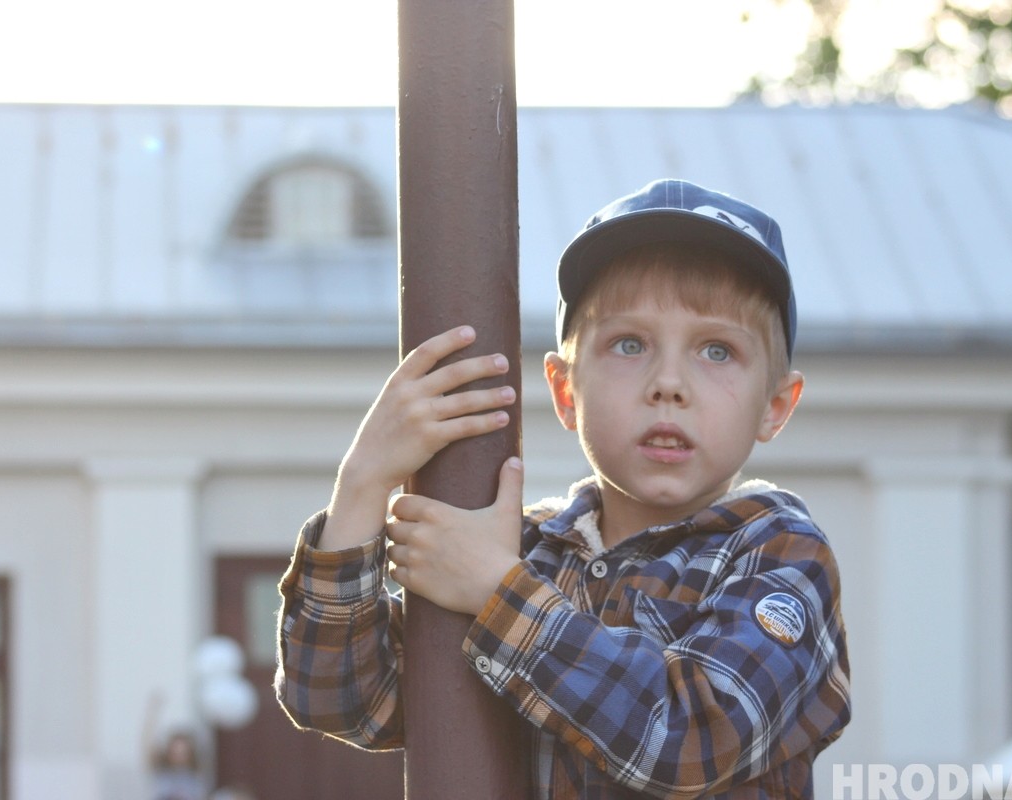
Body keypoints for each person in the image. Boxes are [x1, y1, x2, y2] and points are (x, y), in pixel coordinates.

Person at [275, 179, 851, 798]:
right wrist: (364, 481)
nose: (668, 383)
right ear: (564, 390)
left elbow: (690, 739)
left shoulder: (780, 552)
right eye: (629, 344)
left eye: (717, 350)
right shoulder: (524, 550)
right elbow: (339, 698)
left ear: (775, 405)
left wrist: (497, 593)